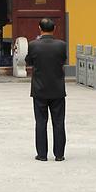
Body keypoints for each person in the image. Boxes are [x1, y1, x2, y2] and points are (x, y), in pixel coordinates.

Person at [25, 18, 67, 162]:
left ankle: (42, 154)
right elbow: (63, 60)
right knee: (59, 122)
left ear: (39, 28)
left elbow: (29, 61)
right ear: (54, 28)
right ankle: (59, 154)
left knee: (41, 122)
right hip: (57, 88)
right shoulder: (61, 45)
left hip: (39, 88)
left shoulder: (33, 45)